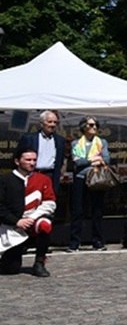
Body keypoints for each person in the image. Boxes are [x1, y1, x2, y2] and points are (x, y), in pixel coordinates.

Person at [0, 149, 55, 277]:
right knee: (11, 269)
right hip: (11, 226)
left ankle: (39, 263)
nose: (32, 163)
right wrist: (16, 221)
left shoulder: (43, 179)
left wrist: (32, 217)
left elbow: (50, 203)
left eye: (34, 160)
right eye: (28, 160)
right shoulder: (5, 180)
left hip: (33, 222)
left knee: (45, 224)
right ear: (17, 161)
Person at [69, 116, 110, 251]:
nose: (94, 128)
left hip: (96, 178)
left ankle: (97, 240)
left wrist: (92, 160)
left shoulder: (102, 142)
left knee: (97, 211)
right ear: (83, 127)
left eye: (96, 125)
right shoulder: (76, 143)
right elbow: (77, 162)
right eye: (91, 125)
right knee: (78, 211)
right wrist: (93, 159)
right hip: (80, 178)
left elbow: (107, 159)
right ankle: (75, 242)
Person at [16, 110, 69, 195]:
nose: (53, 125)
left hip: (51, 176)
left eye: (55, 122)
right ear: (41, 123)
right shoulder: (29, 138)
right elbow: (17, 157)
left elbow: (61, 160)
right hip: (32, 174)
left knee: (49, 202)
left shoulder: (60, 140)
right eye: (49, 122)